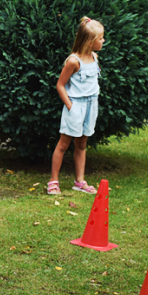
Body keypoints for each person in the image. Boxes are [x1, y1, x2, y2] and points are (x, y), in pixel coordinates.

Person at [47, 17, 105, 196]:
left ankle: (79, 181)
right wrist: (71, 106)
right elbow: (60, 85)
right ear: (89, 42)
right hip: (76, 106)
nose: (103, 41)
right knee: (63, 144)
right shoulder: (73, 61)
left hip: (91, 105)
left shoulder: (95, 57)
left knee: (82, 144)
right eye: (101, 38)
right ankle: (53, 181)